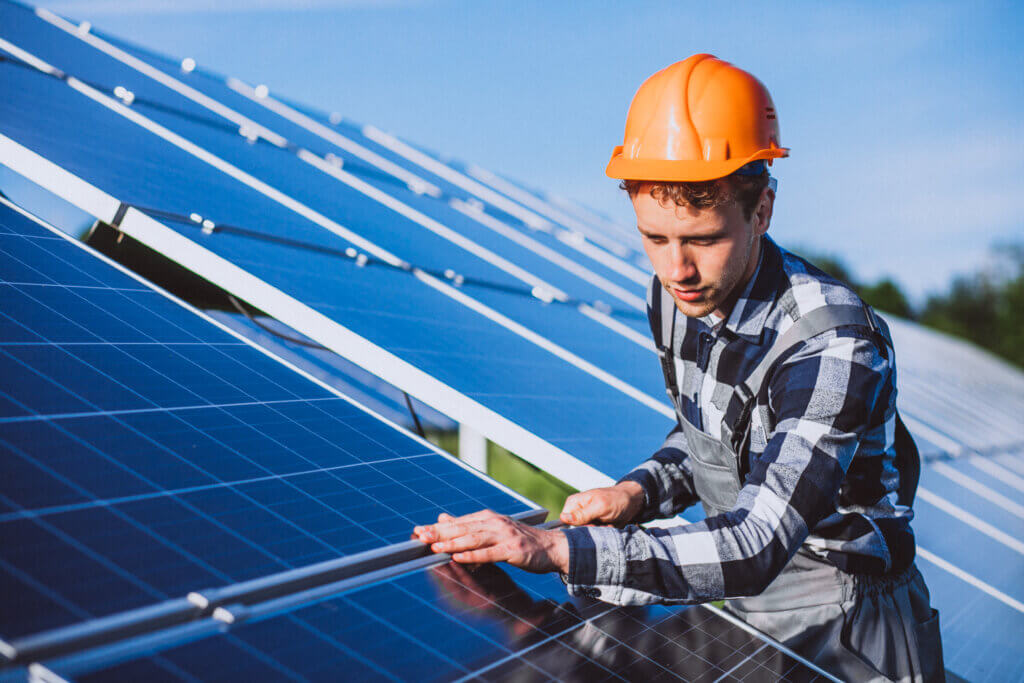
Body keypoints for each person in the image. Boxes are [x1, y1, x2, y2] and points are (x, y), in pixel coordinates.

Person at [414, 54, 944, 682]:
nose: (677, 270)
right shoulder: (673, 299)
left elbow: (757, 543)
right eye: (655, 239)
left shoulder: (832, 341)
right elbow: (712, 438)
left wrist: (557, 547)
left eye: (703, 239)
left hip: (848, 622)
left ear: (762, 211)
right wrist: (637, 491)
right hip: (747, 601)